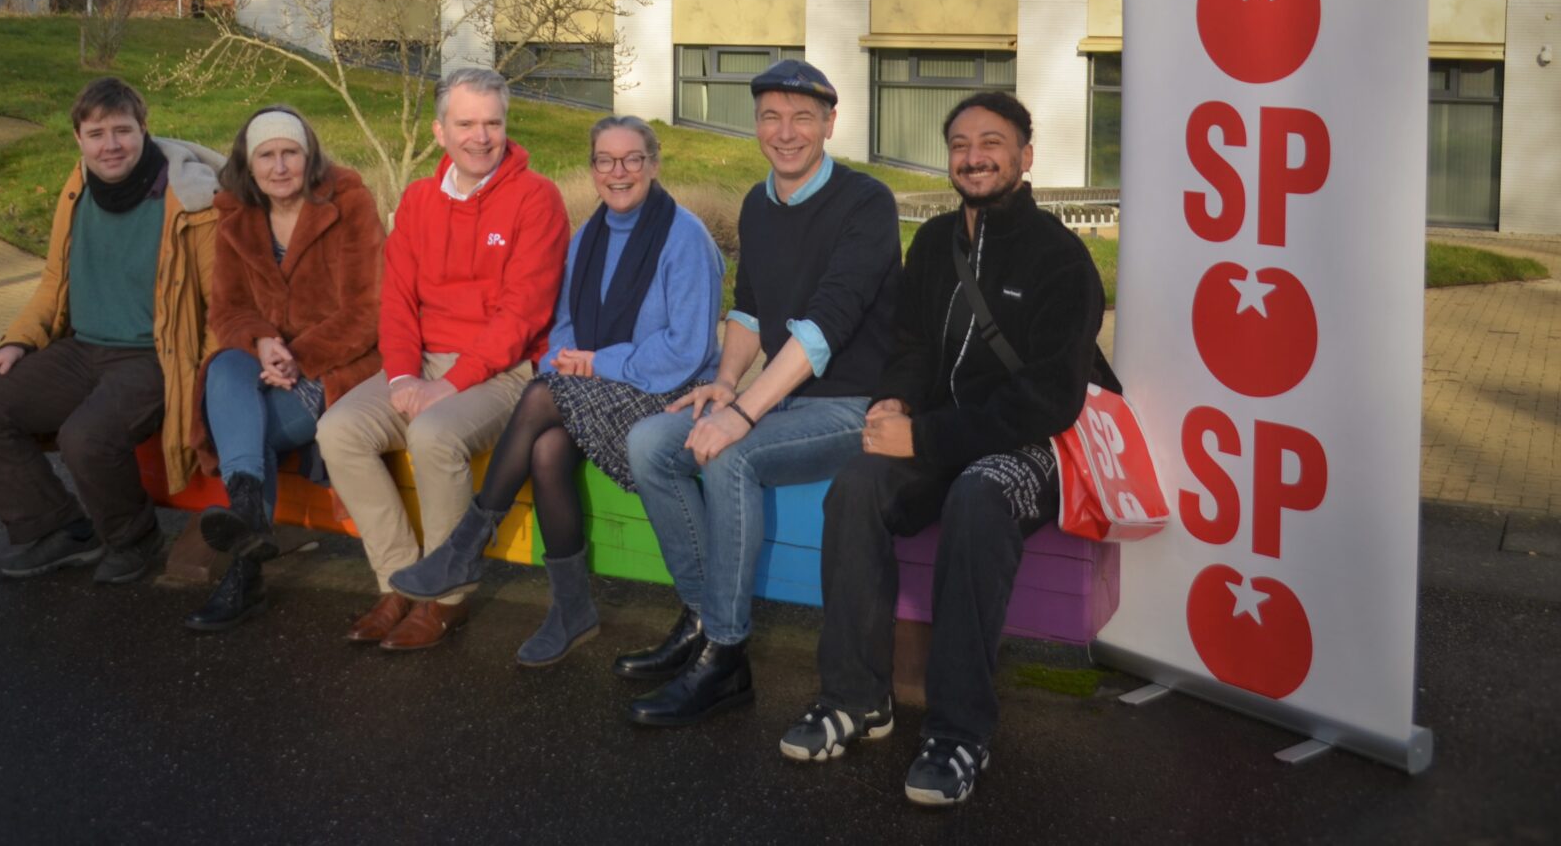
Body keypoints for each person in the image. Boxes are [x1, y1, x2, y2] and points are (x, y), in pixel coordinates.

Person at [778, 90, 1110, 809]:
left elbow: (1053, 399)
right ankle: (855, 697)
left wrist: (925, 435)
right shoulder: (932, 245)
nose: (974, 155)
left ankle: (960, 730)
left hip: (1030, 446)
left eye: (992, 141)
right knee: (857, 485)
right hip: (935, 431)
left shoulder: (1060, 256)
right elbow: (910, 346)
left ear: (1026, 154)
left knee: (978, 494)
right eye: (960, 142)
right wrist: (896, 399)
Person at [621, 59, 900, 726]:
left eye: (803, 117)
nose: (786, 131)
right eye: (772, 116)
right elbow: (748, 312)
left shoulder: (868, 202)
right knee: (650, 442)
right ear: (756, 124)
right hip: (782, 396)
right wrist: (721, 383)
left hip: (851, 403)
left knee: (731, 455)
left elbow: (825, 327)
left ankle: (726, 656)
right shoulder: (756, 202)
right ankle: (701, 615)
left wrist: (744, 411)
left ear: (831, 123)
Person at [389, 116, 724, 666]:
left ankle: (467, 545)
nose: (619, 173)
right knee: (546, 449)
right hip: (598, 385)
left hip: (670, 394)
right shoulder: (587, 235)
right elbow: (562, 322)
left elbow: (685, 350)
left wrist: (593, 363)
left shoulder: (685, 237)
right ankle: (571, 610)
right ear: (592, 169)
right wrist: (569, 359)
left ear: (654, 164)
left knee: (544, 393)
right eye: (605, 161)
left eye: (632, 159)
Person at [314, 67, 570, 652]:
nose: (481, 136)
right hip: (421, 363)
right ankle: (400, 583)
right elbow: (398, 300)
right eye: (466, 124)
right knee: (339, 430)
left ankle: (445, 598)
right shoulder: (420, 199)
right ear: (439, 131)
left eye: (493, 123)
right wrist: (403, 375)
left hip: (503, 374)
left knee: (432, 434)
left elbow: (522, 315)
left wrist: (448, 384)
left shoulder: (537, 199)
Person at [0, 77, 222, 585]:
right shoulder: (78, 189)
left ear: (145, 130)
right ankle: (60, 528)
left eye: (122, 131)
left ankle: (134, 537)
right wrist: (17, 341)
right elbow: (55, 278)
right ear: (78, 138)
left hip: (152, 357)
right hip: (82, 350)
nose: (110, 145)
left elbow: (220, 303)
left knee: (86, 437)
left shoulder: (190, 201)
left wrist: (211, 380)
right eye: (96, 134)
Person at [185, 105, 385, 633]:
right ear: (248, 167)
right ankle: (252, 519)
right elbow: (226, 310)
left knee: (239, 431)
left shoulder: (349, 203)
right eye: (266, 156)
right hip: (265, 364)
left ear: (309, 156)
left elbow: (368, 313)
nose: (279, 167)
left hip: (335, 367)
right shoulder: (236, 217)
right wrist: (265, 341)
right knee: (226, 362)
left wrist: (301, 356)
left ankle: (244, 568)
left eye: (290, 153)